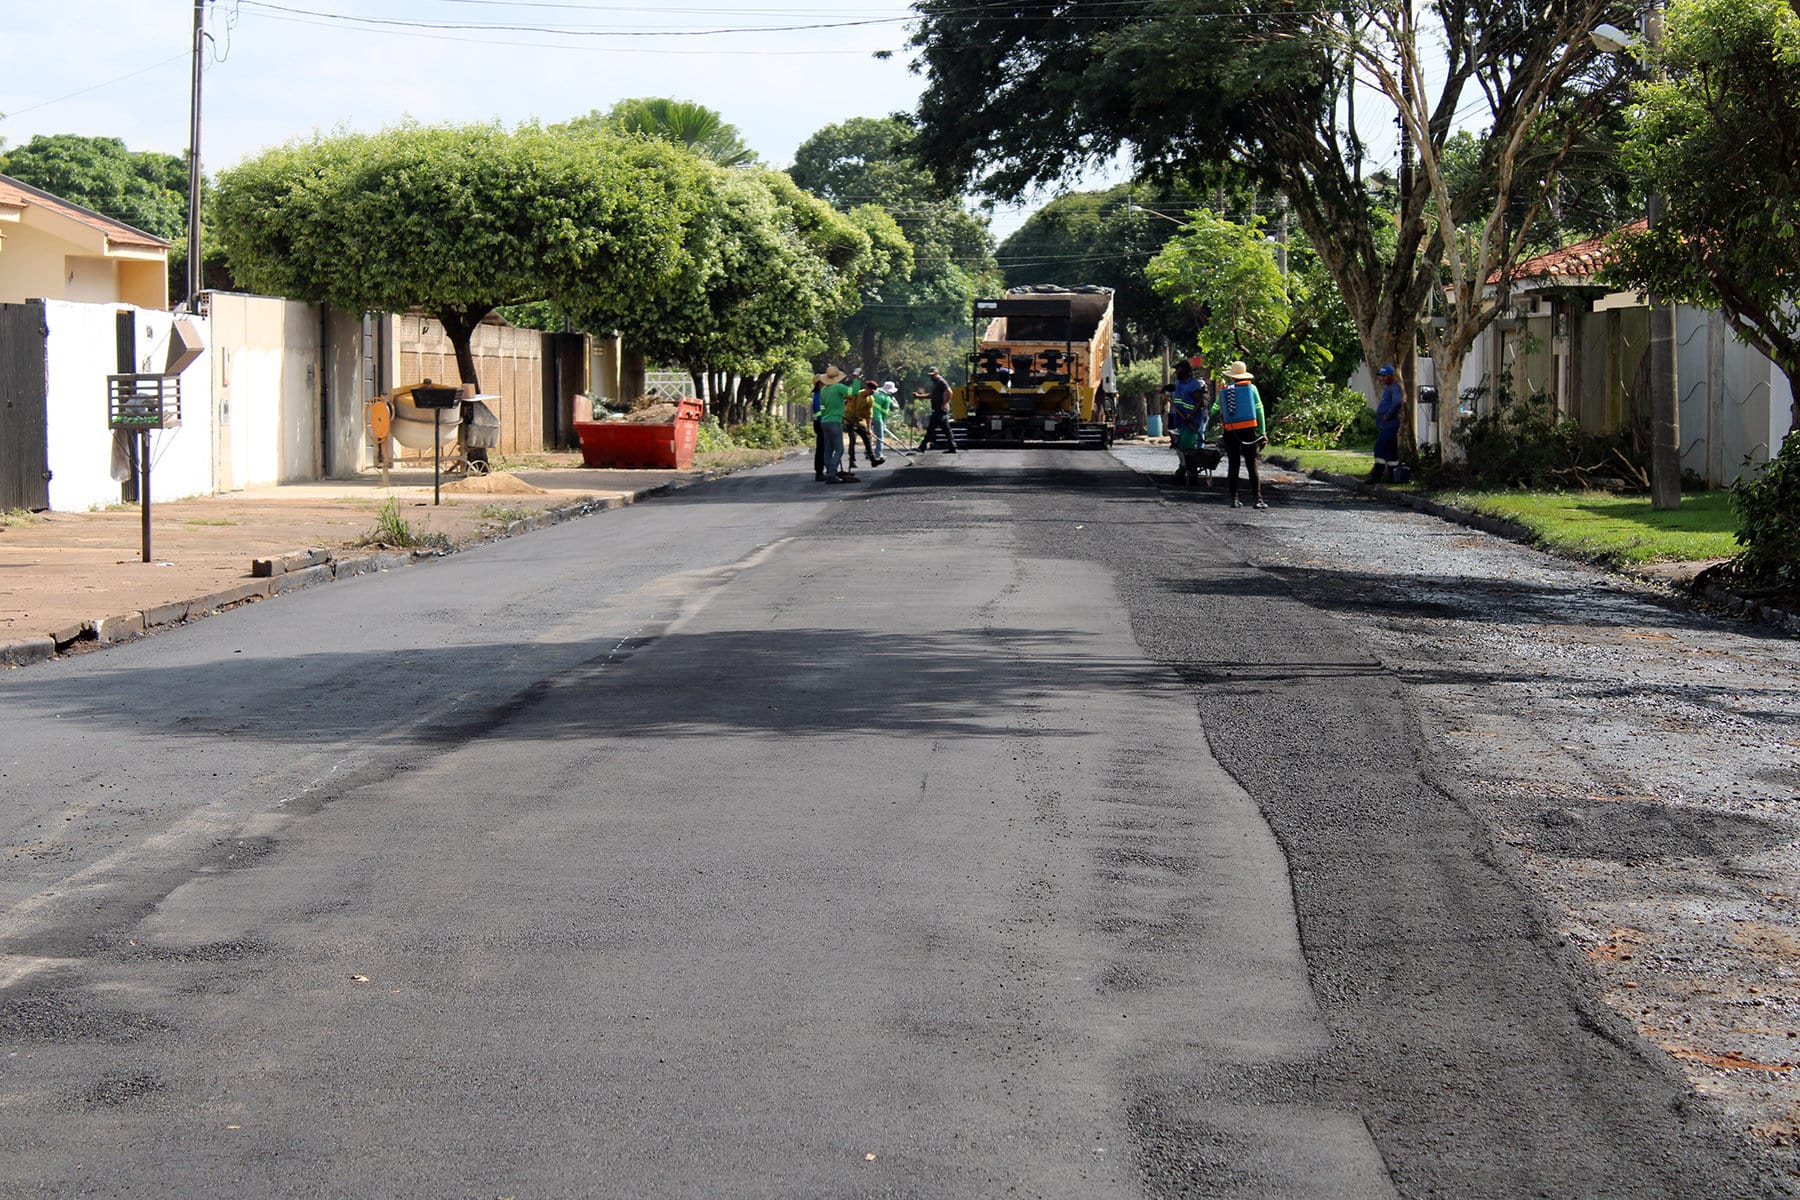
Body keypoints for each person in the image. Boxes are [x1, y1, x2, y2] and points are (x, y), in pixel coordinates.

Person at [1213, 360, 1268, 509]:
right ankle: (1258, 499)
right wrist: (1262, 432)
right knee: (1251, 463)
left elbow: (1214, 410)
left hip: (1230, 431)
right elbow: (1259, 410)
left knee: (1234, 463)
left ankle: (1234, 499)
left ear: (1232, 376)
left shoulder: (1225, 390)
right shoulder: (1252, 388)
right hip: (1248, 430)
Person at [1167, 360, 1210, 486]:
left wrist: (1191, 415)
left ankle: (1185, 474)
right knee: (1182, 448)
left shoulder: (1194, 384)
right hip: (1180, 421)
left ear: (1185, 370)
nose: (1176, 371)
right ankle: (1188, 474)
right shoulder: (1178, 383)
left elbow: (1200, 402)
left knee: (1187, 448)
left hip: (1192, 421)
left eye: (1178, 369)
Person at [817, 366, 855, 483]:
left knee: (828, 449)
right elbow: (853, 393)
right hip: (835, 422)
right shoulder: (838, 387)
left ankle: (829, 472)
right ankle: (832, 473)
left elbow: (822, 408)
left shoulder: (823, 390)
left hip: (825, 422)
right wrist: (857, 380)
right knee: (839, 449)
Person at [1371, 364, 1403, 483]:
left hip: (1389, 426)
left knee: (1380, 447)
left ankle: (1377, 475)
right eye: (1381, 376)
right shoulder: (1389, 388)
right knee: (1391, 451)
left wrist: (1388, 415)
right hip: (1386, 426)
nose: (1382, 378)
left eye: (1384, 376)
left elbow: (1397, 403)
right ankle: (1394, 475)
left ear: (1391, 375)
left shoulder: (1394, 388)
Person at [916, 367, 958, 453]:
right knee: (946, 430)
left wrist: (944, 403)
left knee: (931, 429)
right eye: (930, 375)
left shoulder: (941, 382)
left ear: (937, 374)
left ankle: (922, 447)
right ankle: (952, 447)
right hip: (937, 409)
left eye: (933, 375)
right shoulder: (935, 383)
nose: (931, 377)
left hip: (940, 409)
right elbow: (931, 395)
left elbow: (950, 392)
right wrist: (919, 396)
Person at [845, 378, 881, 468]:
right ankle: (852, 460)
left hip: (859, 421)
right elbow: (845, 397)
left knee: (867, 438)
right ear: (867, 388)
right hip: (849, 419)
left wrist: (869, 429)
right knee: (852, 438)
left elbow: (869, 415)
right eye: (871, 390)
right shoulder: (856, 394)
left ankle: (873, 460)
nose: (872, 392)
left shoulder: (870, 399)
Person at [873, 381, 899, 461]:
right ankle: (878, 453)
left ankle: (868, 453)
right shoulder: (887, 398)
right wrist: (883, 424)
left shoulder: (876, 393)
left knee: (870, 435)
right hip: (878, 418)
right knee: (880, 437)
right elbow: (884, 413)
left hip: (869, 417)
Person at [811, 373, 827, 481]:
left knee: (824, 448)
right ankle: (819, 472)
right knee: (821, 448)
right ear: (819, 385)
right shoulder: (818, 396)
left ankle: (821, 471)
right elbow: (819, 412)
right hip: (821, 424)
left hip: (821, 423)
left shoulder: (820, 395)